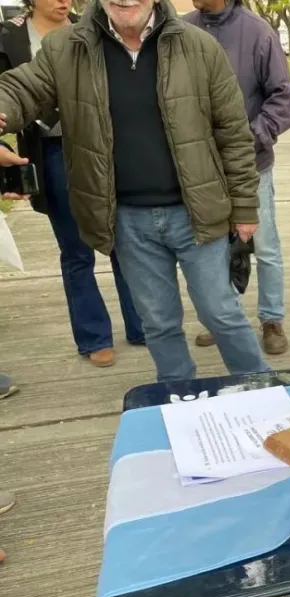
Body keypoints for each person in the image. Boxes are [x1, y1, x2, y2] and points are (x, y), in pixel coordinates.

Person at [0, 0, 267, 383]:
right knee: (157, 323)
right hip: (127, 221)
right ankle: (178, 396)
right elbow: (20, 88)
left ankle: (259, 384)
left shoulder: (200, 46)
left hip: (198, 214)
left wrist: (244, 208)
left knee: (222, 313)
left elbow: (234, 135)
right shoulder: (66, 48)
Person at [0, 0, 145, 369]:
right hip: (49, 153)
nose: (65, 1)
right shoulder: (8, 37)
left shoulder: (92, 28)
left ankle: (142, 323)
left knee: (121, 239)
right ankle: (94, 336)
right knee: (75, 249)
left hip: (101, 148)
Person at [185, 0, 290, 356]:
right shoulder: (181, 29)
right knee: (212, 248)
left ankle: (272, 319)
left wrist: (247, 138)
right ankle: (225, 319)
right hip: (200, 169)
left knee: (265, 247)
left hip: (252, 165)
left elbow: (282, 100)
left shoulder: (258, 32)